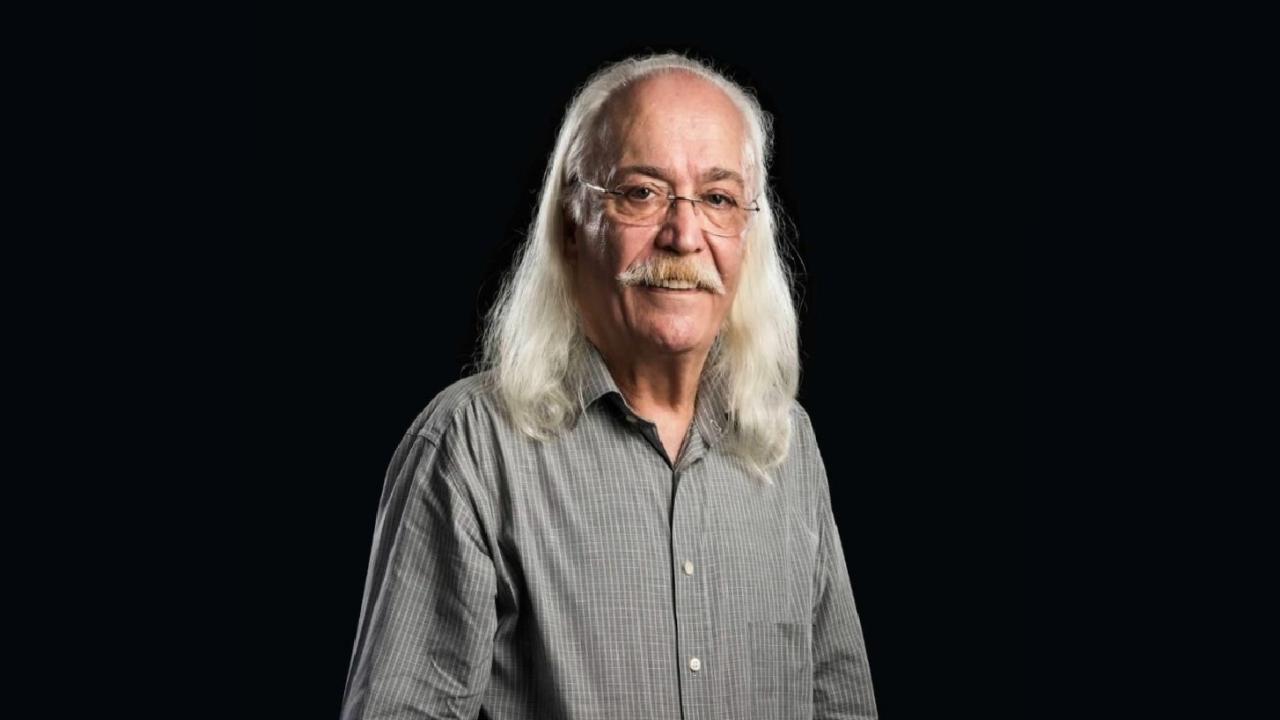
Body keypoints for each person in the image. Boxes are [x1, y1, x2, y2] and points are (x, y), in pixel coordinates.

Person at [339, 52, 877, 720]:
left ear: (749, 233)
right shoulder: (470, 448)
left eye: (717, 199)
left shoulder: (787, 444)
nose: (684, 235)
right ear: (571, 225)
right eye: (642, 193)